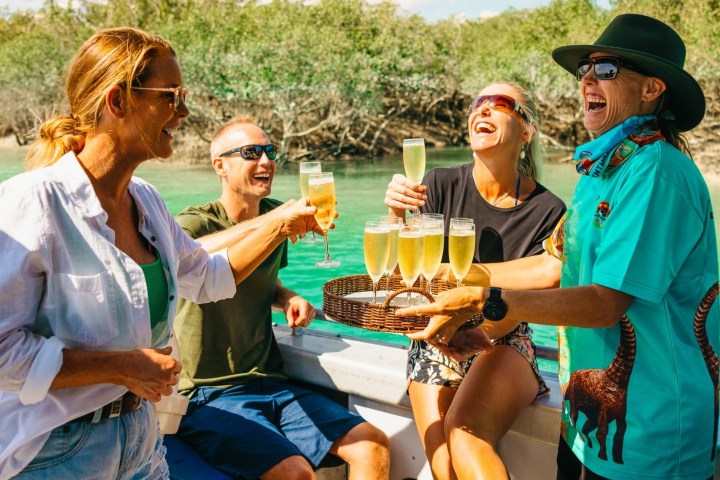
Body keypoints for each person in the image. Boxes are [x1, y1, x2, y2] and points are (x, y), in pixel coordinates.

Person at [397, 14, 718, 480]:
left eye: (606, 70)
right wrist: (459, 277)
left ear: (651, 89)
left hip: (651, 431)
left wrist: (485, 302)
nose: (587, 78)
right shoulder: (600, 170)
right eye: (585, 69)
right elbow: (554, 263)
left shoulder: (656, 172)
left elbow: (606, 303)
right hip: (586, 423)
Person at [0, 28, 319, 479]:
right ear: (118, 102)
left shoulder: (145, 200)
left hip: (141, 438)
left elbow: (206, 278)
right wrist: (120, 366)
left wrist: (280, 226)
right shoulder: (33, 202)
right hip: (56, 450)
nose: (184, 111)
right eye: (171, 96)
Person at [173, 116, 391, 480]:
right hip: (207, 395)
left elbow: (264, 282)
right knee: (296, 474)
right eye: (251, 152)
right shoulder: (197, 221)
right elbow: (184, 257)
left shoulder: (278, 214)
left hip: (272, 382)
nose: (266, 160)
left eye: (270, 151)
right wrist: (272, 223)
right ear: (220, 166)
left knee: (373, 445)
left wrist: (288, 296)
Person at [384, 82, 566, 479]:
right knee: (445, 467)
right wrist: (396, 218)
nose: (482, 110)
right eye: (476, 104)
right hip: (435, 337)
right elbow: (409, 280)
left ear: (526, 130)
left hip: (505, 337)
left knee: (466, 435)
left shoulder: (549, 210)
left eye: (498, 103)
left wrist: (473, 324)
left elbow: (531, 297)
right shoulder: (437, 184)